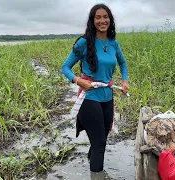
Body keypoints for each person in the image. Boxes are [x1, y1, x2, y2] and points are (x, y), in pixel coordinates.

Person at [61, 3, 129, 172]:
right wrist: (78, 80)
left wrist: (125, 80)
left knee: (101, 139)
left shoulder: (113, 43)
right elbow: (65, 67)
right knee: (100, 144)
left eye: (105, 17)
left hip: (107, 97)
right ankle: (97, 174)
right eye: (97, 17)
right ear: (92, 21)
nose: (102, 20)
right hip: (89, 97)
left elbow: (123, 62)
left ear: (110, 20)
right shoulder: (84, 43)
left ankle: (92, 164)